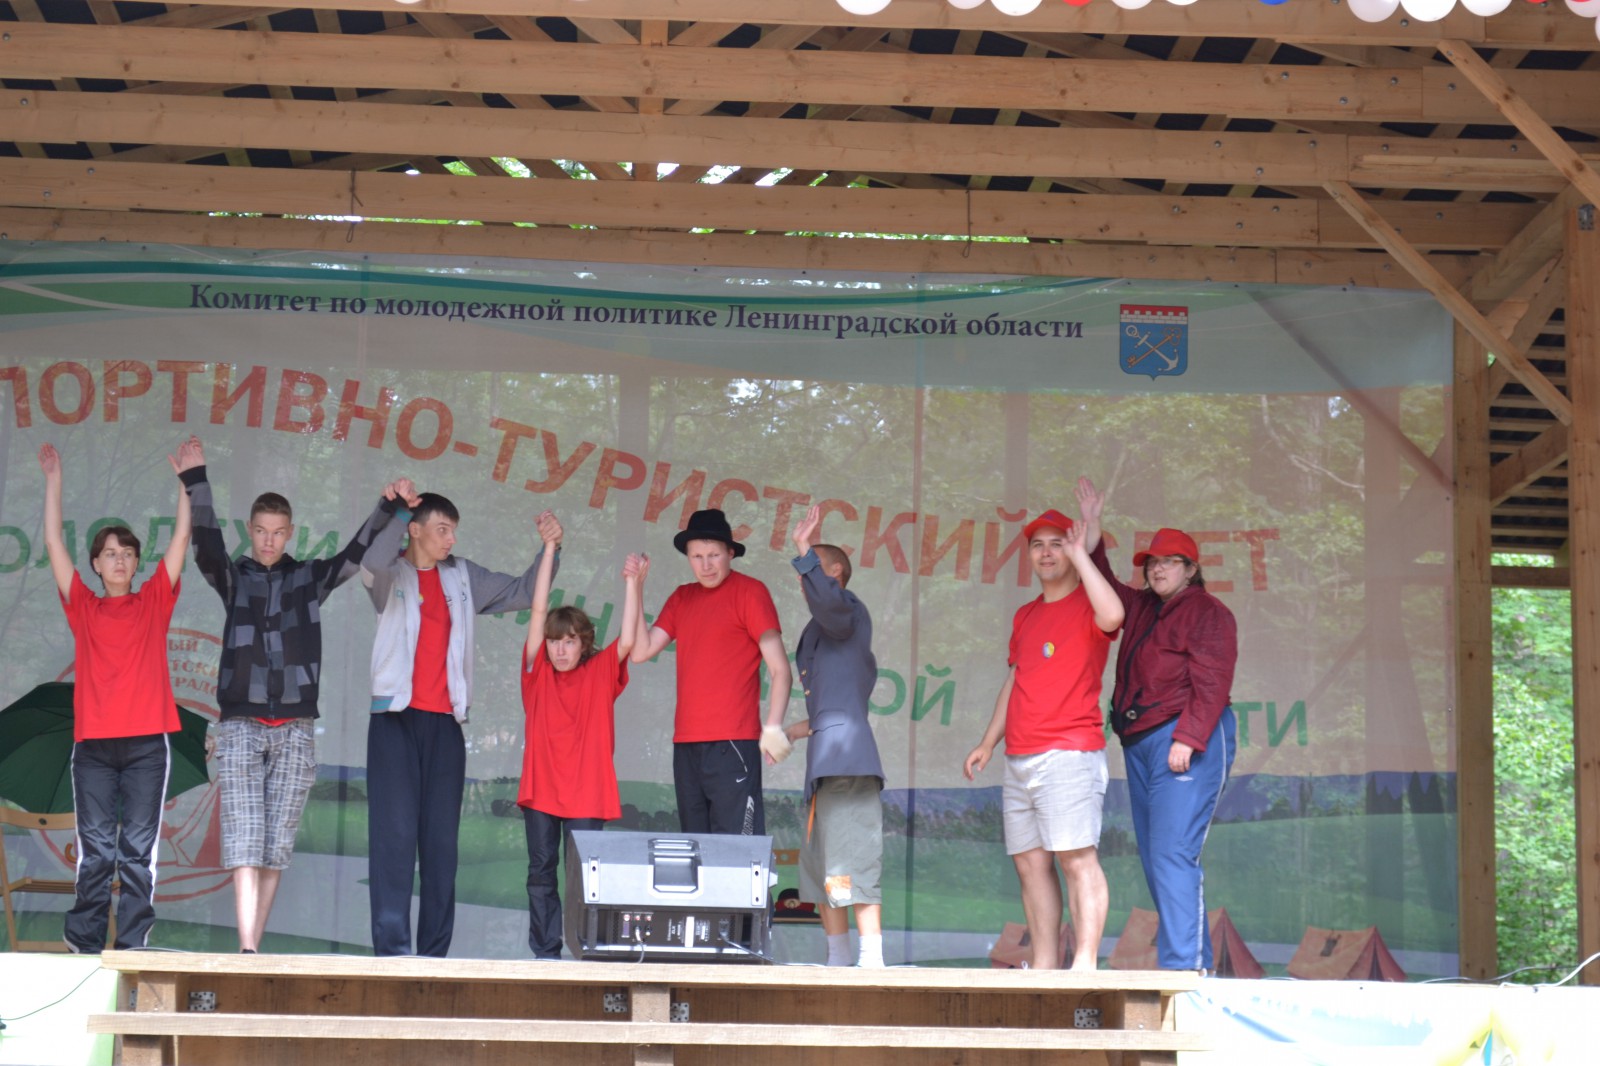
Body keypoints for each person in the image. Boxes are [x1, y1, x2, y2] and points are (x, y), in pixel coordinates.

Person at [178, 442, 411, 953]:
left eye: (277, 532)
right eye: (260, 531)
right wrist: (196, 480)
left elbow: (354, 555)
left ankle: (253, 946)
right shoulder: (234, 578)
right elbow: (206, 546)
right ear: (251, 531)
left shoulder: (308, 579)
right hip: (240, 724)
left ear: (290, 533)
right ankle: (247, 947)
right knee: (243, 836)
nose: (268, 540)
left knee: (275, 844)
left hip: (296, 727)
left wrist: (390, 506)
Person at [360, 492, 556, 957]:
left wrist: (550, 547)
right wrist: (397, 508)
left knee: (440, 847)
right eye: (442, 529)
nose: (451, 539)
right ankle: (392, 954)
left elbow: (525, 592)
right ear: (416, 530)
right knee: (394, 839)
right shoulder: (390, 574)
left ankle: (433, 956)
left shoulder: (463, 576)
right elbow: (369, 560)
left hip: (445, 726)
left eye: (454, 530)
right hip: (394, 722)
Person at [39, 438, 194, 953]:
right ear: (97, 565)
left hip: (148, 746)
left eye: (127, 553)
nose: (120, 559)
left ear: (135, 563)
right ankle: (83, 944)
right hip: (95, 749)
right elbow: (54, 546)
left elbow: (181, 539)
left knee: (137, 852)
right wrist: (54, 482)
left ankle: (130, 946)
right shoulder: (83, 607)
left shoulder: (153, 600)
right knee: (97, 852)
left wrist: (186, 483)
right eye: (110, 553)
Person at [1078, 476, 1238, 972]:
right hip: (1142, 740)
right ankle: (1192, 963)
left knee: (1172, 853)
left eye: (1170, 561)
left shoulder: (1207, 611)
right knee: (1155, 857)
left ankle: (1183, 968)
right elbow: (1103, 587)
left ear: (1191, 569)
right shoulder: (1145, 605)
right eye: (1152, 562)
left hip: (1183, 737)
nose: (1158, 568)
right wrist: (1093, 529)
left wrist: (1188, 738)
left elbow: (1212, 681)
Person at [963, 505, 1124, 971]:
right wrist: (988, 741)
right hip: (1020, 755)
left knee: (1076, 857)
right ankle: (1046, 967)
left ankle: (1085, 963)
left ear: (1073, 551)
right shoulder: (1027, 614)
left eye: (1058, 544)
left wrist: (1083, 552)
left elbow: (1114, 614)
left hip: (1069, 752)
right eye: (1038, 545)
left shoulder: (1090, 603)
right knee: (1030, 864)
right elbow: (1017, 679)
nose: (1047, 553)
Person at [517, 511, 643, 959]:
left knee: (586, 877)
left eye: (569, 641)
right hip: (542, 791)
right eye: (555, 641)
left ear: (584, 642)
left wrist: (633, 584)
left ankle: (586, 952)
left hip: (586, 793)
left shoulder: (599, 672)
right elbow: (537, 611)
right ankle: (545, 954)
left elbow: (627, 641)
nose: (560, 648)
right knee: (540, 872)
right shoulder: (537, 673)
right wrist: (550, 548)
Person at [632, 508, 790, 835]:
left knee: (738, 849)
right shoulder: (682, 597)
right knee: (697, 846)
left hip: (733, 740)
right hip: (686, 742)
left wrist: (773, 728)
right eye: (697, 556)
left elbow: (780, 670)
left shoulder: (750, 591)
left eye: (714, 555)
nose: (706, 565)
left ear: (730, 553)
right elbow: (640, 651)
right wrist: (635, 587)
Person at [781, 505, 887, 968]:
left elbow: (827, 604)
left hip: (846, 765)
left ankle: (871, 960)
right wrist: (789, 732)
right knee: (825, 868)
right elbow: (832, 708)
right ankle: (839, 960)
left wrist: (803, 549)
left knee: (853, 862)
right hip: (826, 767)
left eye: (814, 569)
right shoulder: (825, 627)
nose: (803, 578)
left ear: (835, 573)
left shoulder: (846, 610)